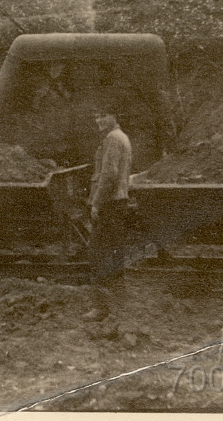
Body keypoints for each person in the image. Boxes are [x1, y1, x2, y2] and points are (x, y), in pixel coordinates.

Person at [83, 108, 132, 322]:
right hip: (118, 202)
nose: (98, 120)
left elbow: (109, 174)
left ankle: (100, 308)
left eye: (103, 115)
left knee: (97, 253)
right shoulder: (122, 137)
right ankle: (119, 304)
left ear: (115, 116)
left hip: (109, 204)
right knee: (113, 252)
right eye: (96, 115)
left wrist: (96, 203)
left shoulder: (112, 139)